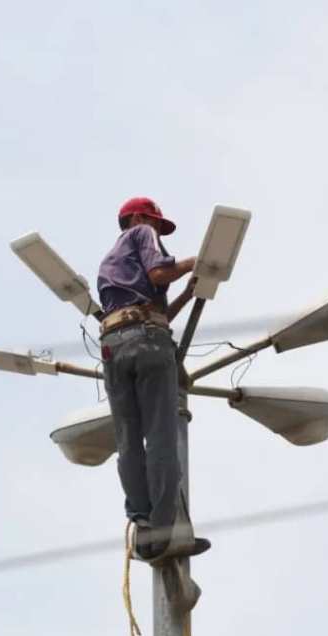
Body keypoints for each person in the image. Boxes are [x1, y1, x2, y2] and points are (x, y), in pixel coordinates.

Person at [97, 197, 207, 561]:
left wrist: (189, 292)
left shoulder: (113, 262)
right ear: (141, 218)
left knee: (128, 438)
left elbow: (156, 312)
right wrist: (198, 262)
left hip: (114, 344)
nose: (159, 233)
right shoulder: (142, 232)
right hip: (147, 342)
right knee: (160, 434)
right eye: (159, 225)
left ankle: (142, 521)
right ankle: (165, 526)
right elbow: (160, 273)